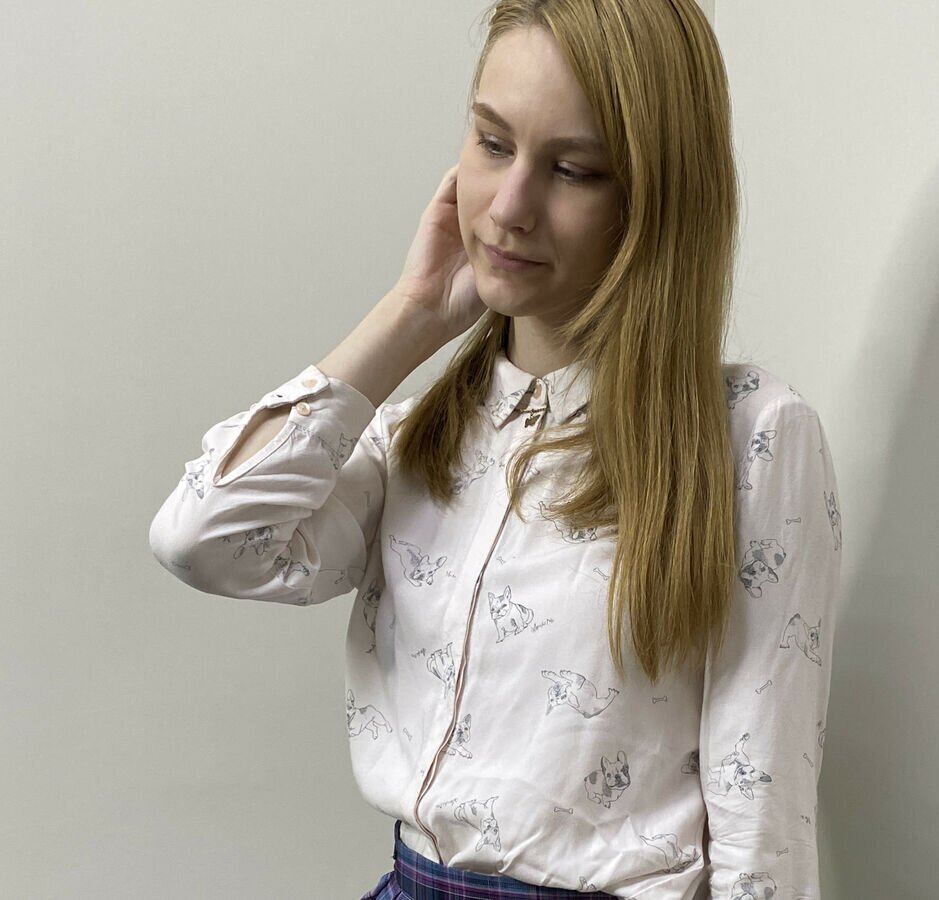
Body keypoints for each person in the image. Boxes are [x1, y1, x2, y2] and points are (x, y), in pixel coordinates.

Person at [147, 1, 844, 897]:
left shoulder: (751, 440)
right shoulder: (414, 441)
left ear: (654, 198)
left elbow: (762, 833)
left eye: (573, 169)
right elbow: (201, 539)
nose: (510, 207)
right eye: (491, 143)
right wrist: (410, 317)